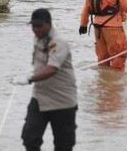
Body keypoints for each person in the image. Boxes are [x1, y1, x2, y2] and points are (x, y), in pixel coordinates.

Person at [12, 8, 78, 151]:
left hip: (62, 101)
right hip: (40, 98)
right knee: (29, 139)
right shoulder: (38, 38)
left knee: (63, 145)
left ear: (49, 24)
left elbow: (52, 69)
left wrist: (29, 78)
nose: (35, 29)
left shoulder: (58, 42)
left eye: (39, 25)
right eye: (33, 25)